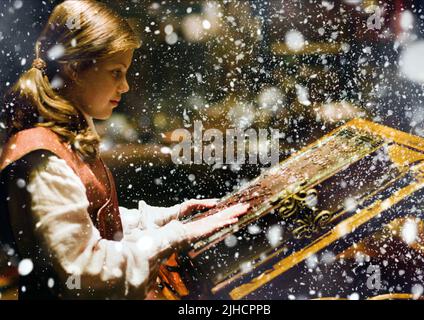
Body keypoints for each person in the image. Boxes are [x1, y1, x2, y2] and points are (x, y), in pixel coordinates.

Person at [0, 0, 249, 299]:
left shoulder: (63, 135)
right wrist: (175, 235)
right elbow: (83, 270)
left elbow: (93, 219)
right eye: (116, 72)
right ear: (75, 69)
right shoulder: (43, 157)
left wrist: (170, 217)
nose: (125, 86)